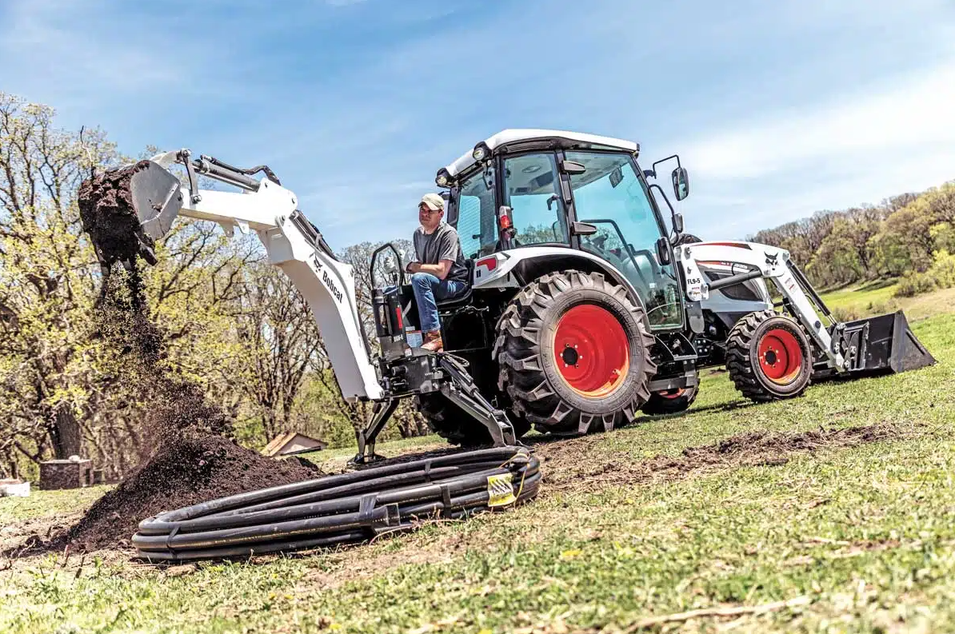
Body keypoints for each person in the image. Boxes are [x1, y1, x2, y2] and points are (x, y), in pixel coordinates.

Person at [406, 193, 469, 352]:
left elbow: (441, 271)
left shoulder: (448, 234)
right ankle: (410, 339)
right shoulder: (417, 235)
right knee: (403, 290)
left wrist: (413, 267)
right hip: (435, 283)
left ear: (441, 214)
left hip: (455, 283)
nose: (424, 214)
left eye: (430, 211)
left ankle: (434, 336)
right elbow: (423, 265)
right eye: (422, 210)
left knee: (419, 279)